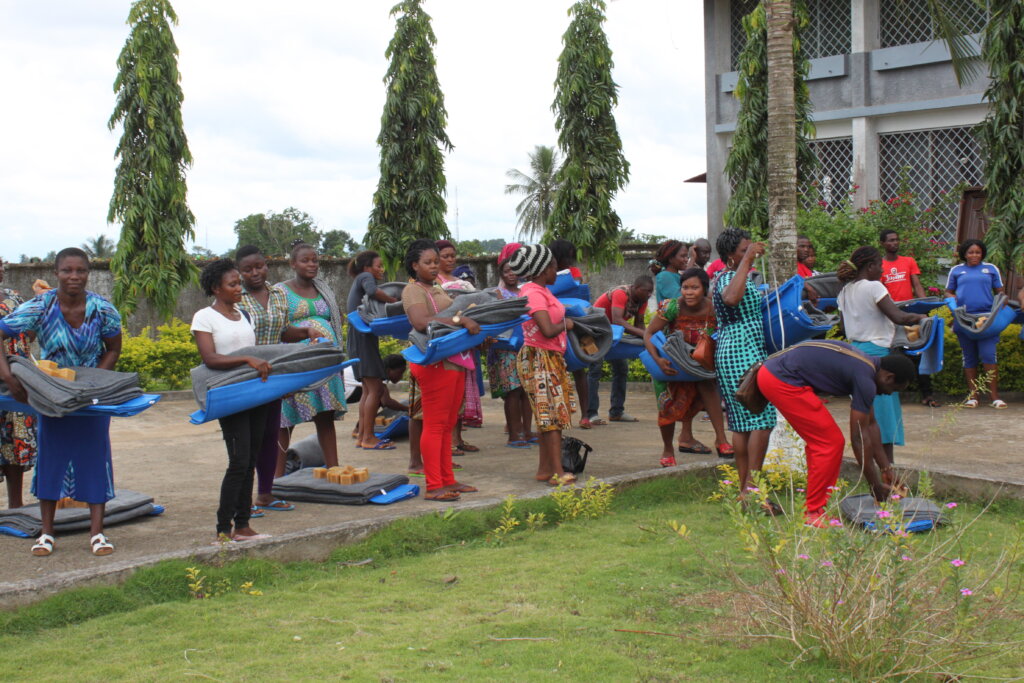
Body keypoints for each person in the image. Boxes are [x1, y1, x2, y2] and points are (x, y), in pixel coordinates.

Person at [0, 248, 122, 556]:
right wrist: (11, 379)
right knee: (51, 458)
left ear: (88, 273)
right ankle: (47, 532)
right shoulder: (41, 306)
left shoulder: (103, 308)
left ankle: (97, 533)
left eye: (80, 270)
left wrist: (95, 382)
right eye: (67, 270)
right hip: (50, 396)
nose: (74, 276)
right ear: (56, 273)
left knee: (96, 458)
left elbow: (113, 348)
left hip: (91, 400)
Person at [756, 341, 916, 526]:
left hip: (775, 373)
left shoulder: (867, 367)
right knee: (828, 443)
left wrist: (886, 469)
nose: (888, 395)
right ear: (889, 377)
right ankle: (812, 511)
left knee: (825, 442)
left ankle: (814, 507)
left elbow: (871, 425)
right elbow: (858, 438)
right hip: (781, 379)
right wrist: (874, 485)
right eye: (893, 390)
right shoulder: (865, 380)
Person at [192, 259, 277, 542]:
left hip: (255, 394)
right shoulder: (205, 317)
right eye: (233, 284)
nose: (239, 288)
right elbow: (210, 358)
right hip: (231, 395)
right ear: (216, 288)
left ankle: (243, 525)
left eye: (238, 283)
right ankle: (223, 528)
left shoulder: (244, 315)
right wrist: (247, 359)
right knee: (238, 461)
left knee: (250, 458)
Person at [236, 245, 315, 513]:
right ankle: (242, 501)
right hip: (246, 376)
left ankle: (266, 494)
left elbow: (283, 332)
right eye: (247, 269)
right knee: (247, 439)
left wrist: (306, 332)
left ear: (267, 265)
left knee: (270, 435)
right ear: (240, 272)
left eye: (259, 266)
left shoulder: (279, 294)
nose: (255, 273)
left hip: (273, 375)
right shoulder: (236, 297)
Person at [402, 239, 480, 501]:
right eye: (428, 262)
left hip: (452, 360)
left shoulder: (436, 288)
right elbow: (421, 322)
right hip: (434, 362)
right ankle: (434, 485)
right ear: (415, 265)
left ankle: (448, 480)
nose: (434, 266)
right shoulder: (413, 291)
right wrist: (460, 319)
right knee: (435, 425)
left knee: (446, 424)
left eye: (436, 262)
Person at [836, 247, 926, 466]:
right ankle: (888, 470)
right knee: (884, 420)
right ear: (870, 266)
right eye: (880, 265)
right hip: (878, 357)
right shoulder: (874, 286)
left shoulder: (844, 292)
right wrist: (922, 317)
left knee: (865, 417)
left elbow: (841, 325)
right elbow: (898, 316)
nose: (883, 270)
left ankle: (874, 469)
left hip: (855, 353)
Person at [643, 267, 732, 467]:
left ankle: (722, 440)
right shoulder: (670, 307)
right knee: (667, 406)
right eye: (685, 287)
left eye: (695, 288)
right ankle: (667, 450)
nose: (689, 292)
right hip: (672, 365)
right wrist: (658, 360)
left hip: (700, 365)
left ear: (705, 289)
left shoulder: (714, 309)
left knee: (709, 389)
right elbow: (648, 334)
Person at [712, 228, 775, 495]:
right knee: (762, 417)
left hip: (739, 348)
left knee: (743, 422)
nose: (750, 252)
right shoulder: (727, 276)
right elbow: (731, 298)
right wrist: (747, 260)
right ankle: (752, 488)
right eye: (743, 250)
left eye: (750, 248)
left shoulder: (737, 276)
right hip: (740, 350)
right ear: (730, 255)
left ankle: (745, 489)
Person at [275, 242, 347, 473]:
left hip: (325, 364)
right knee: (286, 419)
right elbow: (277, 326)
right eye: (305, 260)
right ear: (292, 263)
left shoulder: (323, 289)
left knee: (325, 415)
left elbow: (337, 318)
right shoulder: (280, 292)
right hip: (296, 364)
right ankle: (275, 479)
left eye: (315, 260)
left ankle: (333, 468)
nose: (311, 264)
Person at [510, 244, 578, 486]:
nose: (556, 270)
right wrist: (566, 325)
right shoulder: (533, 293)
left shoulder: (540, 290)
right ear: (543, 268)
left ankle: (545, 469)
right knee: (551, 415)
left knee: (547, 415)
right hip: (540, 357)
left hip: (548, 357)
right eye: (553, 266)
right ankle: (558, 473)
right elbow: (547, 329)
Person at [346, 250, 399, 451]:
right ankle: (368, 437)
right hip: (362, 337)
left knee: (368, 390)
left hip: (357, 337)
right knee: (375, 389)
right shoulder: (365, 277)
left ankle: (363, 436)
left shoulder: (358, 278)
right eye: (378, 265)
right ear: (367, 267)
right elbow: (372, 291)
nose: (381, 270)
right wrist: (394, 302)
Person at [878, 229, 937, 407]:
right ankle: (892, 393)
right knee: (894, 353)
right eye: (890, 241)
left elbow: (917, 285)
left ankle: (927, 395)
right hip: (892, 314)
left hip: (911, 314)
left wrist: (924, 307)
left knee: (919, 353)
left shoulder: (908, 261)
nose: (894, 243)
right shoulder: (879, 266)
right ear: (883, 244)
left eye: (896, 240)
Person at [944, 239, 1007, 408]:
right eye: (971, 252)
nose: (974, 255)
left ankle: (995, 397)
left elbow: (1000, 293)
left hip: (986, 320)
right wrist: (951, 300)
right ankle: (973, 397)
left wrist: (998, 314)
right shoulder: (956, 271)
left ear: (982, 254)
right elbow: (948, 292)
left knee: (988, 356)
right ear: (964, 253)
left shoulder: (991, 269)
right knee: (969, 357)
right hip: (963, 319)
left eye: (977, 252)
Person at [587, 275, 654, 424]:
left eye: (651, 292)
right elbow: (618, 320)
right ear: (636, 288)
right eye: (646, 291)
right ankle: (590, 414)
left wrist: (646, 337)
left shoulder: (642, 300)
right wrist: (645, 334)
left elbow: (639, 325)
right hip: (595, 332)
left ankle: (617, 412)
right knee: (595, 370)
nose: (649, 294)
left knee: (621, 368)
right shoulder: (621, 293)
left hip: (613, 335)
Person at [435, 239, 482, 449]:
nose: (450, 260)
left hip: (464, 340)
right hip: (445, 339)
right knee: (447, 391)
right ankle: (447, 442)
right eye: (445, 256)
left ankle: (457, 439)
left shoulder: (462, 283)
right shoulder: (433, 282)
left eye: (452, 256)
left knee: (461, 389)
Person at [486, 244, 534, 448]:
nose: (511, 274)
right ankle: (514, 434)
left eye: (514, 270)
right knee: (513, 391)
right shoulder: (495, 294)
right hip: (504, 349)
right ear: (501, 273)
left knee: (527, 390)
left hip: (527, 347)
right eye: (507, 271)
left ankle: (527, 430)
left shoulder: (528, 291)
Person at [0, 258, 37, 509]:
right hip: (8, 377)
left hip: (18, 379)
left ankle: (16, 507)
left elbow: (31, 328)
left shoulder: (14, 298)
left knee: (16, 444)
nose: (1, 270)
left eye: (0, 265)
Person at [549, 238, 592, 428]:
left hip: (572, 322)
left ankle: (585, 415)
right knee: (560, 371)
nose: (570, 260)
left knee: (579, 367)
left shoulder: (572, 274)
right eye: (567, 256)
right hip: (556, 323)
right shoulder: (548, 274)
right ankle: (564, 414)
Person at [650, 239, 689, 304]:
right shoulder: (665, 276)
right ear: (670, 258)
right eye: (683, 256)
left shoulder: (677, 275)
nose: (687, 260)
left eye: (687, 256)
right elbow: (683, 300)